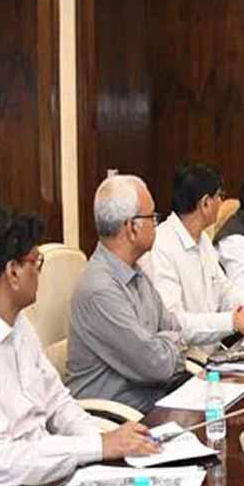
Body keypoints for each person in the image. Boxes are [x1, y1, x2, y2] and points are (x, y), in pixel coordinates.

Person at [0, 206, 158, 486]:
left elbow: (58, 402)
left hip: (55, 469)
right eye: (36, 262)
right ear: (13, 272)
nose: (40, 272)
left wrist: (106, 438)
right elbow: (6, 462)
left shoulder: (20, 325)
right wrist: (96, 446)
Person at [67, 176, 193, 412]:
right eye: (152, 217)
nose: (156, 224)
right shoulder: (100, 290)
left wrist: (163, 344)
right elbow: (156, 365)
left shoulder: (135, 271)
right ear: (131, 227)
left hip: (155, 401)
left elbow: (175, 329)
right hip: (117, 418)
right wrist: (166, 345)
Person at [141, 163, 244, 346]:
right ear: (206, 203)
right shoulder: (161, 246)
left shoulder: (202, 240)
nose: (222, 202)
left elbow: (225, 291)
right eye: (219, 196)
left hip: (213, 351)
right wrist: (235, 321)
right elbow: (175, 323)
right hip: (184, 358)